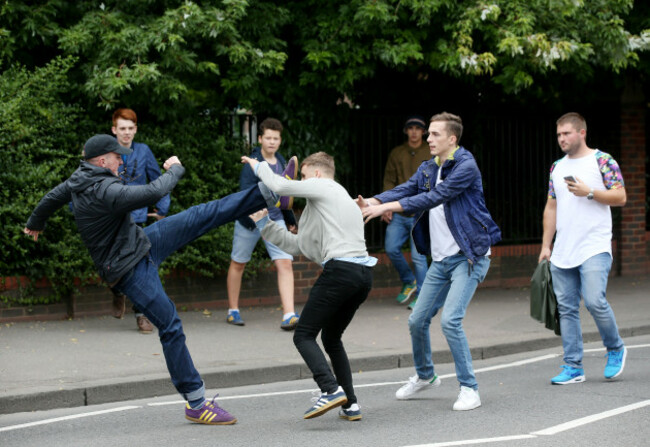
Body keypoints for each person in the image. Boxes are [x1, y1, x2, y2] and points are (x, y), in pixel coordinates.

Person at [24, 134, 294, 425]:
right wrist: (176, 169)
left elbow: (53, 197)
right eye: (118, 158)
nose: (121, 163)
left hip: (142, 243)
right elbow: (154, 192)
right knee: (169, 323)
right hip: (128, 269)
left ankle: (269, 192)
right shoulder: (106, 190)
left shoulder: (80, 178)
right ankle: (196, 402)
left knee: (199, 215)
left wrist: (35, 222)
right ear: (102, 161)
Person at [357, 112, 501, 411]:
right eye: (428, 134)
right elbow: (406, 189)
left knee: (450, 320)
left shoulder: (465, 166)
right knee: (416, 320)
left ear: (452, 138)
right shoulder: (428, 167)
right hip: (442, 259)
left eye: (434, 134)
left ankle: (469, 388)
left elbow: (432, 198)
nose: (428, 138)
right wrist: (372, 201)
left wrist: (387, 207)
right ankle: (425, 375)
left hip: (469, 256)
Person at [242, 151, 375, 421]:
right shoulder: (328, 205)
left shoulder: (324, 185)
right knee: (331, 338)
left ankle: (329, 389)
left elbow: (279, 186)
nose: (299, 181)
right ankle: (350, 403)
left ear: (316, 173)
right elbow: (298, 245)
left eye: (302, 176)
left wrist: (259, 167)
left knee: (303, 334)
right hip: (361, 276)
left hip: (340, 272)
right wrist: (264, 224)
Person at [538, 112, 627, 385]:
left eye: (566, 133)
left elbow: (620, 196)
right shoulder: (557, 167)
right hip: (564, 250)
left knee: (594, 300)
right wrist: (545, 245)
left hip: (595, 245)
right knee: (566, 309)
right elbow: (551, 207)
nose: (562, 139)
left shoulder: (602, 160)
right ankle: (573, 366)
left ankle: (615, 348)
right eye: (559, 135)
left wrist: (590, 192)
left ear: (582, 133)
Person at [226, 118, 299, 330]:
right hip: (250, 221)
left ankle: (289, 314)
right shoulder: (252, 162)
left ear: (280, 140)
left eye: (275, 138)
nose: (271, 142)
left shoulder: (282, 161)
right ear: (260, 139)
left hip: (276, 220)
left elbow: (286, 193)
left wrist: (289, 220)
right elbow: (245, 192)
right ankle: (233, 310)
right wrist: (258, 213)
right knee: (238, 263)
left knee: (285, 263)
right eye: (267, 137)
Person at [110, 108, 169, 333]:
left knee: (140, 266)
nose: (126, 133)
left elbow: (158, 181)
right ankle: (116, 292)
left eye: (130, 128)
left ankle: (141, 314)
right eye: (122, 128)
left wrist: (162, 207)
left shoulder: (143, 151)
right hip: (112, 218)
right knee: (112, 264)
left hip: (138, 219)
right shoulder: (105, 152)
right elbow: (87, 180)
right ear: (114, 129)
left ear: (136, 129)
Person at [382, 115, 430, 308]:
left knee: (419, 257)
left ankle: (423, 296)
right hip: (399, 212)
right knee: (391, 248)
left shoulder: (430, 151)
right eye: (410, 128)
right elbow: (389, 180)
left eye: (418, 128)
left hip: (421, 213)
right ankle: (409, 281)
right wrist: (385, 205)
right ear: (406, 131)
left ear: (423, 132)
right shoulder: (397, 152)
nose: (414, 131)